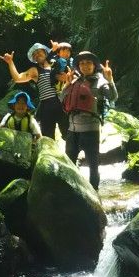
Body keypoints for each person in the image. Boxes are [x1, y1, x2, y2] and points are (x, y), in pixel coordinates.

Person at [59, 50, 118, 190]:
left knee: (93, 166)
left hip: (91, 130)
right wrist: (66, 85)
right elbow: (62, 99)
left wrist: (110, 80)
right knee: (70, 165)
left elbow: (113, 97)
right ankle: (72, 191)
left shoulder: (101, 81)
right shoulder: (74, 82)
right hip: (72, 131)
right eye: (82, 63)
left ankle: (94, 194)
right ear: (78, 66)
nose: (85, 66)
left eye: (88, 63)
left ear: (94, 65)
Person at [0, 43, 68, 139]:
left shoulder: (58, 64)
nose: (37, 55)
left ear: (45, 52)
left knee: (69, 134)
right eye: (34, 54)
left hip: (62, 103)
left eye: (39, 51)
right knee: (48, 138)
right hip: (46, 105)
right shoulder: (35, 70)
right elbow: (18, 78)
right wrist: (10, 62)